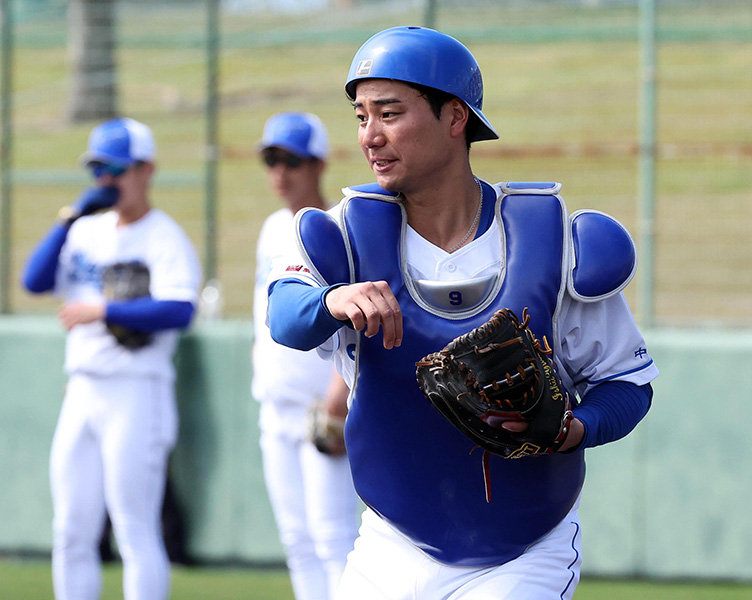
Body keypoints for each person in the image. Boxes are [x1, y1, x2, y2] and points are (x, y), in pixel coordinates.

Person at [265, 26, 658, 599]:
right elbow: (285, 318)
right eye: (360, 117)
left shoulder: (550, 240)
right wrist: (333, 299)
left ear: (455, 118)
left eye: (390, 113)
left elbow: (629, 383)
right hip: (390, 546)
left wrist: (579, 428)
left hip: (524, 552)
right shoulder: (346, 234)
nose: (370, 136)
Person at [21, 117, 201, 600]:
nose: (106, 181)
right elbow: (34, 281)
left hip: (136, 388)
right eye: (98, 169)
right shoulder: (86, 231)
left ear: (146, 170)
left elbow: (181, 309)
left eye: (116, 169)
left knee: (134, 529)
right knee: (71, 530)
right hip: (82, 388)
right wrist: (68, 219)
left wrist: (104, 309)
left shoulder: (164, 236)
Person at [252, 112, 359, 600]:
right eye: (271, 159)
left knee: (332, 539)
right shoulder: (271, 227)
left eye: (291, 160)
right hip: (276, 406)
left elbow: (360, 316)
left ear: (319, 164)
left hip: (323, 406)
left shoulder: (338, 225)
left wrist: (340, 399)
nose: (280, 172)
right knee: (297, 540)